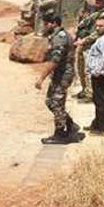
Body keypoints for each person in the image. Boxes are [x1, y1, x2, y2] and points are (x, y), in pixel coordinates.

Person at [35, 14, 78, 144]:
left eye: (45, 24)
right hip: (59, 75)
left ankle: (60, 134)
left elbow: (55, 61)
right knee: (50, 101)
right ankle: (70, 124)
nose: (44, 27)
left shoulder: (60, 38)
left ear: (53, 23)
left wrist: (41, 78)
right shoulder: (57, 36)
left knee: (56, 103)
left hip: (63, 75)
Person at [73, 0, 104, 101]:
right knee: (81, 69)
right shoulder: (95, 12)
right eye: (96, 0)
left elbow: (98, 33)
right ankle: (85, 89)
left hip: (93, 45)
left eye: (99, 1)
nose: (97, 3)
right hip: (85, 44)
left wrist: (84, 40)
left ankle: (91, 93)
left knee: (89, 70)